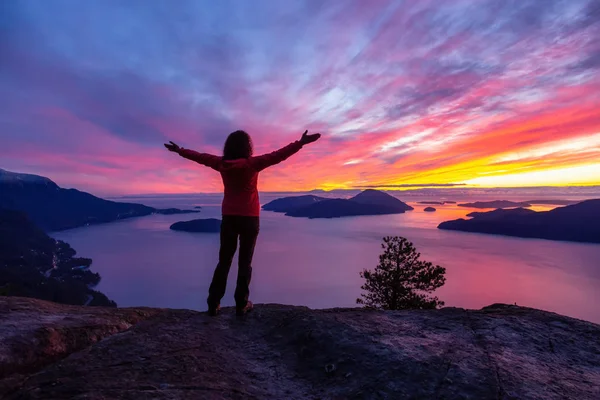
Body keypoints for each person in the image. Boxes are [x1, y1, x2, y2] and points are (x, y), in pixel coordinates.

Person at [164, 130, 321, 316]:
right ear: (248, 147)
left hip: (229, 217)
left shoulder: (221, 164)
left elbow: (201, 157)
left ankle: (213, 304)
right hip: (250, 219)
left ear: (228, 147)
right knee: (245, 263)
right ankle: (241, 304)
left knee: (224, 261)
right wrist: (300, 143)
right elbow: (279, 155)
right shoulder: (253, 164)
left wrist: (180, 150)